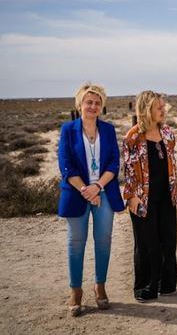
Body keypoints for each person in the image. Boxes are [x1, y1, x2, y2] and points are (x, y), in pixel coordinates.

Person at [57, 82, 125, 316]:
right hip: (77, 193)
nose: (93, 106)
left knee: (103, 241)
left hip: (104, 190)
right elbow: (66, 165)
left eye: (97, 103)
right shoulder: (68, 130)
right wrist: (86, 190)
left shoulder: (107, 130)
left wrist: (97, 187)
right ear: (80, 104)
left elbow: (114, 163)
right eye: (89, 102)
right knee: (76, 243)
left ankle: (100, 286)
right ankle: (76, 291)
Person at [122, 91, 177, 301]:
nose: (163, 110)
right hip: (142, 199)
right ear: (147, 110)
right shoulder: (133, 136)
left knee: (168, 240)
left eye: (164, 106)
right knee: (148, 243)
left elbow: (171, 164)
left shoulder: (168, 132)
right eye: (159, 108)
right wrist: (131, 197)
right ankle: (147, 286)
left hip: (166, 197)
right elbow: (128, 171)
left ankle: (167, 284)